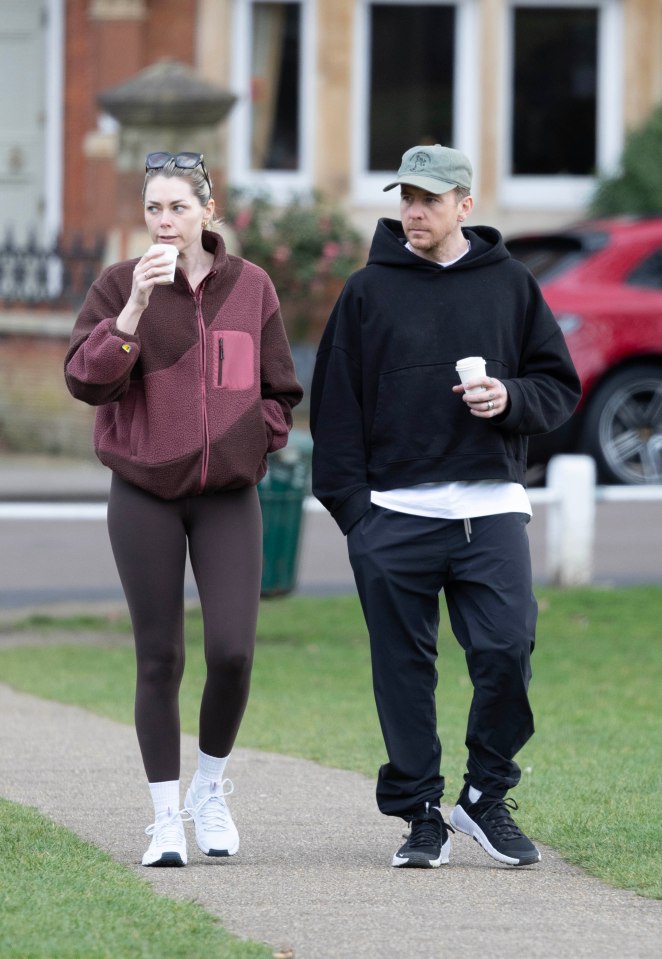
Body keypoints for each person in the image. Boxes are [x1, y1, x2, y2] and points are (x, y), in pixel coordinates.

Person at [310, 144, 581, 870]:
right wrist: (357, 518)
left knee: (506, 648)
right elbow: (333, 412)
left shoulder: (512, 285)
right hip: (392, 516)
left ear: (466, 203)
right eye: (406, 197)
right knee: (403, 670)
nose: (414, 211)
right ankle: (420, 811)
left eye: (430, 199)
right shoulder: (368, 291)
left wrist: (510, 398)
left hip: (490, 506)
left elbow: (559, 385)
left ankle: (484, 794)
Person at [65, 150, 302, 867]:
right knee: (160, 655)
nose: (164, 222)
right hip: (143, 494)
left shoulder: (251, 287)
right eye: (153, 209)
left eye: (178, 207)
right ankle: (165, 816)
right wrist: (134, 308)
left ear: (209, 210)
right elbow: (87, 381)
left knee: (232, 652)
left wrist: (255, 441)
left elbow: (281, 387)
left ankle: (209, 787)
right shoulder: (116, 286)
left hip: (228, 495)